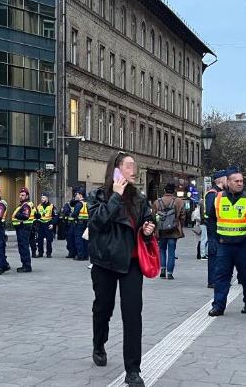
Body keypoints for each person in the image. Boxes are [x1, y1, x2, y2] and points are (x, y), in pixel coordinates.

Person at [88, 151, 155, 387]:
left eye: (134, 166)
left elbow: (147, 221)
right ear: (116, 170)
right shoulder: (99, 195)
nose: (133, 171)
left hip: (131, 263)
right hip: (105, 261)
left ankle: (133, 370)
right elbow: (97, 223)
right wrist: (115, 196)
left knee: (133, 315)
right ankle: (99, 344)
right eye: (128, 166)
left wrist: (148, 229)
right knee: (103, 308)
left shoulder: (139, 198)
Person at [207, 169, 246, 316]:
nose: (240, 183)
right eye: (236, 181)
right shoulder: (218, 198)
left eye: (241, 181)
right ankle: (218, 306)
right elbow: (211, 220)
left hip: (243, 244)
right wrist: (216, 238)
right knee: (221, 276)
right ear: (228, 182)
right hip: (224, 244)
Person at [152, 183, 185, 280]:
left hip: (161, 231)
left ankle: (162, 270)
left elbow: (153, 217)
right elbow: (183, 216)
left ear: (164, 190)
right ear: (174, 191)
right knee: (171, 251)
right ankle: (169, 273)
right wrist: (180, 225)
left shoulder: (157, 202)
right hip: (173, 231)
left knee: (162, 250)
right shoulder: (179, 201)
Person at [204, 170, 228, 289]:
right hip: (214, 231)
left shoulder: (221, 193)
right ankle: (213, 281)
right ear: (221, 180)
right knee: (214, 256)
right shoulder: (212, 194)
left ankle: (218, 279)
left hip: (221, 230)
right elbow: (210, 212)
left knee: (221, 257)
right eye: (227, 178)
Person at [12, 187, 35, 273]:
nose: (20, 196)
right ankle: (25, 265)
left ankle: (26, 266)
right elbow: (37, 215)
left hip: (23, 228)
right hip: (24, 228)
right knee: (23, 247)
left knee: (23, 247)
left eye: (23, 195)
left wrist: (16, 215)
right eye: (20, 195)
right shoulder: (27, 204)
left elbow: (25, 216)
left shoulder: (26, 205)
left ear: (27, 196)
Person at [34, 193, 57, 258]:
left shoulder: (52, 206)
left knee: (49, 240)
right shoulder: (38, 206)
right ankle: (40, 253)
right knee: (39, 239)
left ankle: (49, 253)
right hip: (40, 224)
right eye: (41, 198)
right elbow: (36, 215)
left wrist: (52, 224)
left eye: (43, 198)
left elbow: (56, 216)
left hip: (48, 224)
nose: (42, 199)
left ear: (47, 198)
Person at [72, 187, 90, 260]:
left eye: (77, 194)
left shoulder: (79, 204)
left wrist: (72, 214)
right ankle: (86, 255)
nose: (76, 196)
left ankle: (80, 256)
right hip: (86, 223)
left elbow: (74, 214)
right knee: (85, 240)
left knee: (79, 240)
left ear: (80, 195)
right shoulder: (87, 203)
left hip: (79, 224)